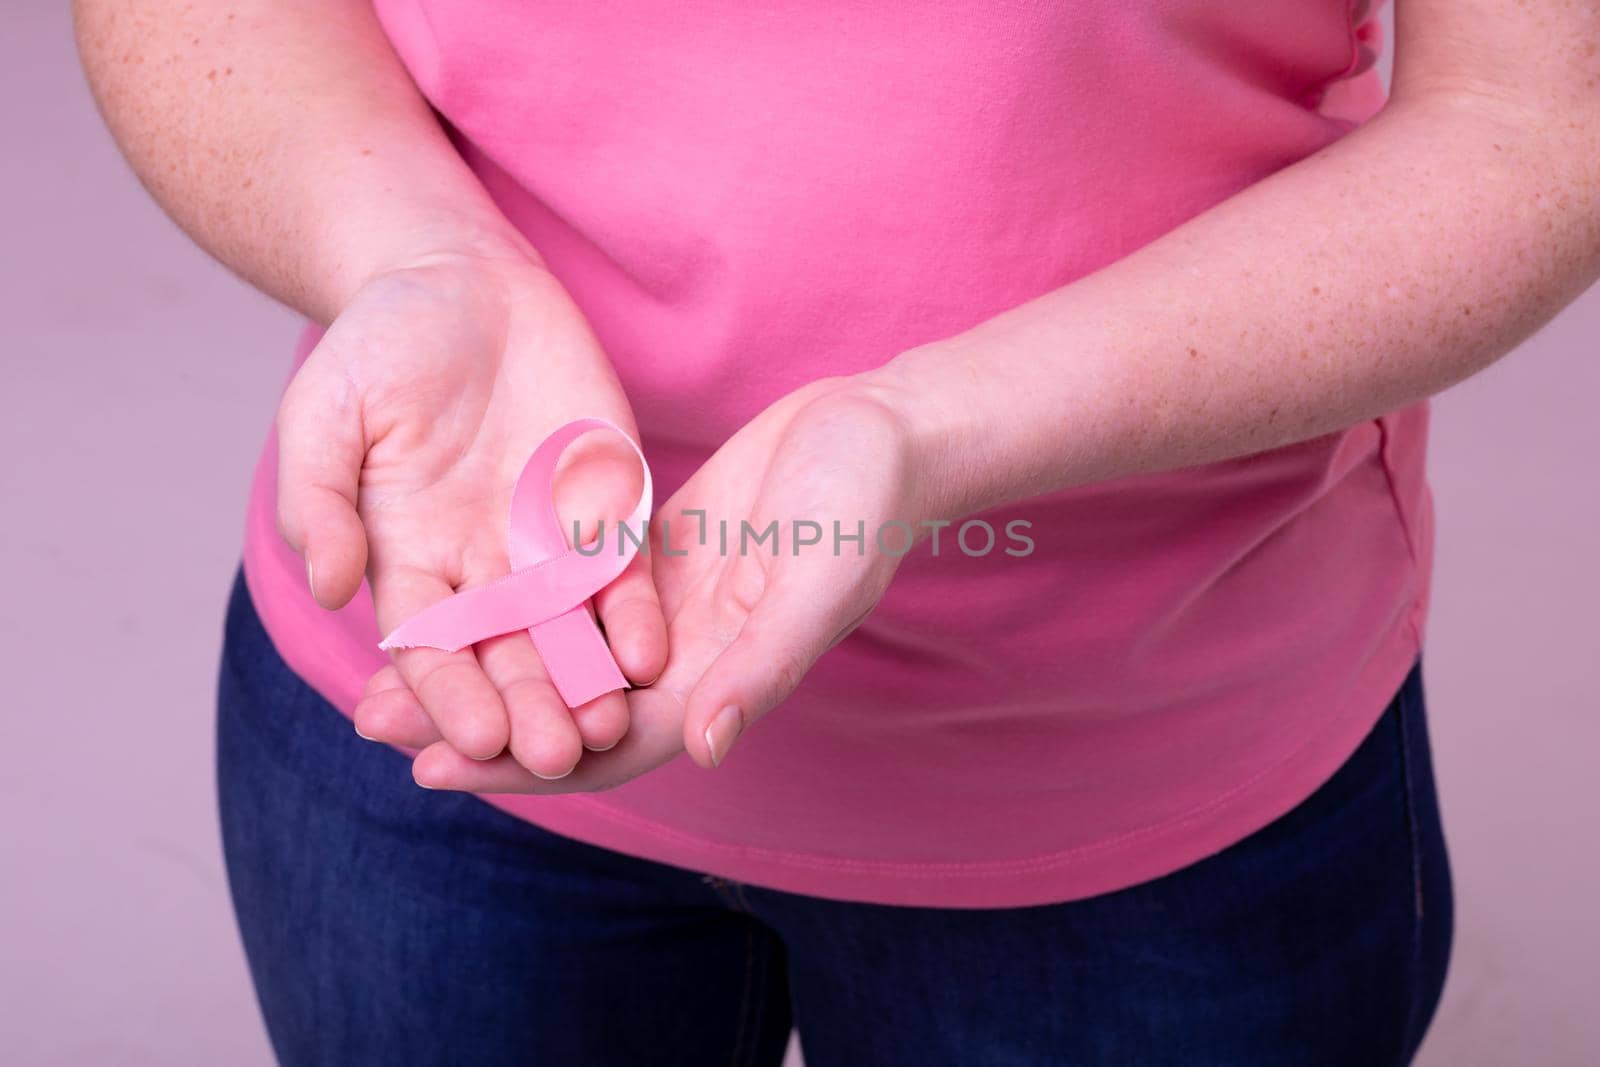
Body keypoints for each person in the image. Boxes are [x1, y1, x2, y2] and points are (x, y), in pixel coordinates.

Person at [75, 0, 1599, 1063]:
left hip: (1147, 774)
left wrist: (930, 426)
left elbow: (1534, 120)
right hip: (438, 681)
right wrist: (414, 253)